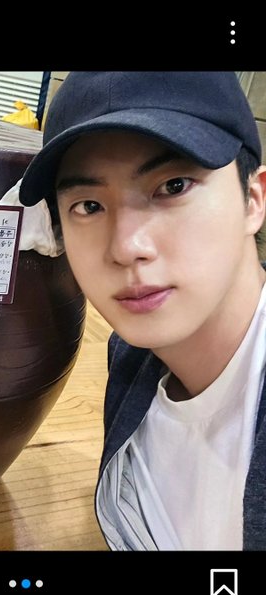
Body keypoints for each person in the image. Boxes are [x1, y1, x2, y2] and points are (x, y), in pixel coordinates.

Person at [19, 72, 266, 551]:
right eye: (89, 206)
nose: (125, 247)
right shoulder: (132, 359)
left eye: (173, 186)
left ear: (253, 200)